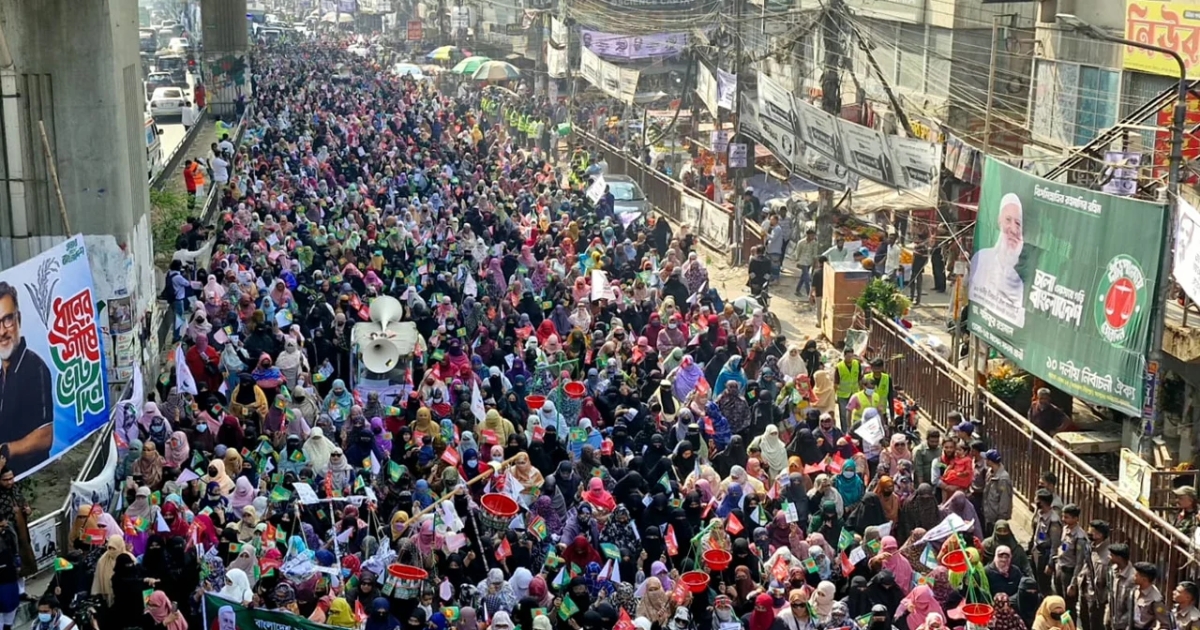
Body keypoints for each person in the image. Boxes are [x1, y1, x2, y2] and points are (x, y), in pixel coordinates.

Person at [0, 282, 54, 475]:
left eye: (7, 320)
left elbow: (45, 436)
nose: (2, 331)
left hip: (35, 482)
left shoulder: (35, 368)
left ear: (18, 320)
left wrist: (7, 450)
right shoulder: (2, 375)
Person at [969, 192, 1025, 325]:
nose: (1013, 229)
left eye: (1018, 223)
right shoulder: (982, 258)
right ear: (999, 221)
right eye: (1008, 220)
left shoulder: (1020, 280)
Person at [794, 229, 819, 298]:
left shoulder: (814, 243)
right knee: (807, 278)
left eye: (814, 235)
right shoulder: (801, 242)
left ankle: (797, 290)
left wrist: (815, 263)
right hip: (802, 261)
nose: (813, 237)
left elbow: (815, 254)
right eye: (812, 235)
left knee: (803, 276)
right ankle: (809, 293)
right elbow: (797, 252)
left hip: (809, 262)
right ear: (808, 235)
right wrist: (797, 261)